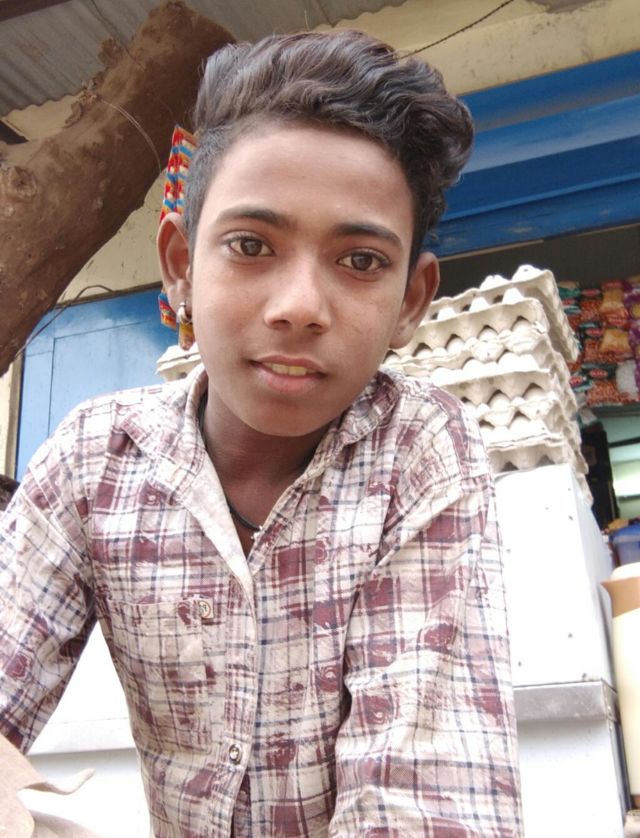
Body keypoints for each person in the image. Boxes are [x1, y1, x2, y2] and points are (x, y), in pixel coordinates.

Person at [0, 30, 522, 837]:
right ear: (180, 266)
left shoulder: (418, 453)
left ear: (412, 301)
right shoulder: (95, 459)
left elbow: (424, 799)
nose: (298, 306)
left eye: (360, 261)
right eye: (250, 246)